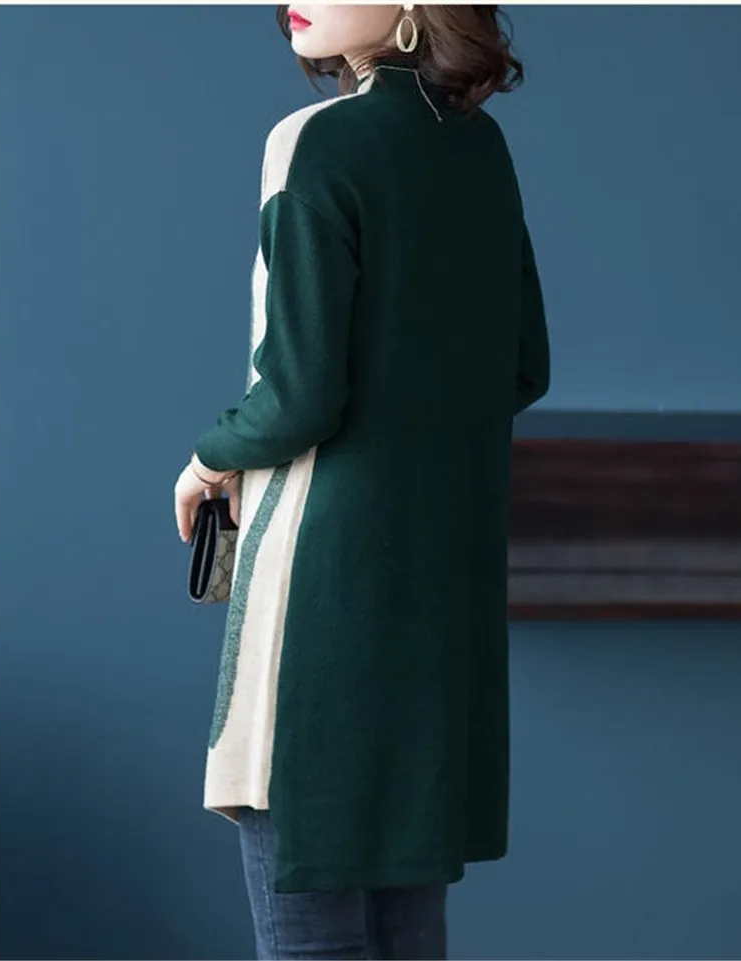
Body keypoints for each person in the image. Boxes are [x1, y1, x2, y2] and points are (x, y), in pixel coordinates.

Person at [173, 4, 550, 958]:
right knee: (406, 923)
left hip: (324, 574)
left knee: (312, 924)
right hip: (440, 578)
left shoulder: (315, 141)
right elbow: (522, 365)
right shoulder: (480, 146)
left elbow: (297, 396)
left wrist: (210, 457)